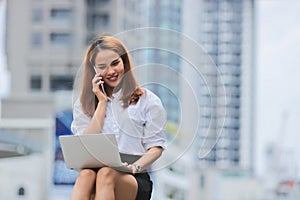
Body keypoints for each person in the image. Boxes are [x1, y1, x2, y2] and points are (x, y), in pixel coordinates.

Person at [70, 35, 166, 200]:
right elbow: (85, 145)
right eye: (102, 67)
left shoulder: (147, 100)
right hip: (95, 171)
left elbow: (156, 147)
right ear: (94, 70)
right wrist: (101, 103)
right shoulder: (83, 103)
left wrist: (135, 166)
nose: (111, 71)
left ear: (124, 62)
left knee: (106, 174)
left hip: (133, 176)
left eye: (115, 63)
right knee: (86, 175)